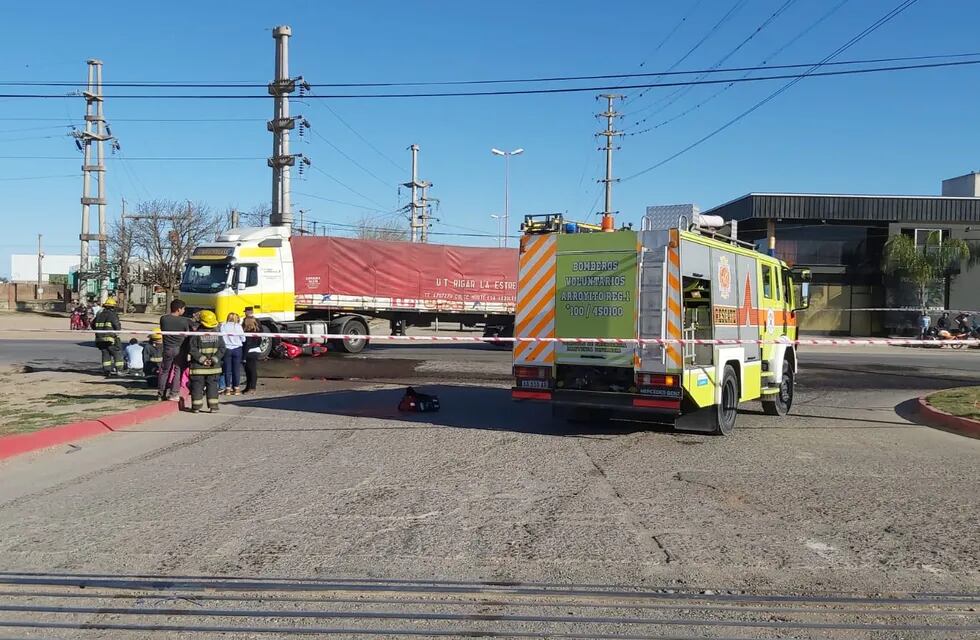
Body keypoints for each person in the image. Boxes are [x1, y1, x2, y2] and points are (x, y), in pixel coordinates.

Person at [188, 310, 225, 413]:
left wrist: (202, 360)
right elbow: (222, 348)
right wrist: (214, 359)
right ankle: (213, 407)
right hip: (213, 368)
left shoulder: (196, 335)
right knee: (213, 387)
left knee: (197, 387)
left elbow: (192, 349)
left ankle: (196, 407)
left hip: (198, 368)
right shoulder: (218, 335)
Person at [158, 299, 194, 401]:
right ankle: (174, 394)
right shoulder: (184, 321)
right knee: (177, 371)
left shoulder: (163, 319)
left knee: (165, 371)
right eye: (183, 309)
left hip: (167, 349)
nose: (184, 311)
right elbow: (190, 331)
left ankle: (161, 394)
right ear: (179, 309)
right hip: (179, 349)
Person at [93, 297, 123, 377]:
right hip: (110, 339)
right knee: (117, 353)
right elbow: (117, 325)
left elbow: (93, 325)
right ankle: (119, 370)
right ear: (112, 307)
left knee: (105, 355)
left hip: (99, 339)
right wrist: (117, 331)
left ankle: (107, 371)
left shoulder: (99, 314)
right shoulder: (112, 315)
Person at [220, 312, 245, 395]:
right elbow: (243, 339)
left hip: (227, 349)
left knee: (227, 370)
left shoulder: (223, 325)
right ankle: (236, 389)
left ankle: (227, 389)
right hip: (237, 349)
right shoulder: (238, 326)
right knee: (236, 369)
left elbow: (221, 337)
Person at [242, 316, 264, 394]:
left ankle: (252, 388)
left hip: (249, 353)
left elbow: (246, 345)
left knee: (250, 371)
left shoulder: (247, 333)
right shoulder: (257, 331)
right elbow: (259, 341)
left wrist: (243, 357)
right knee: (251, 370)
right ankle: (249, 387)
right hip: (256, 351)